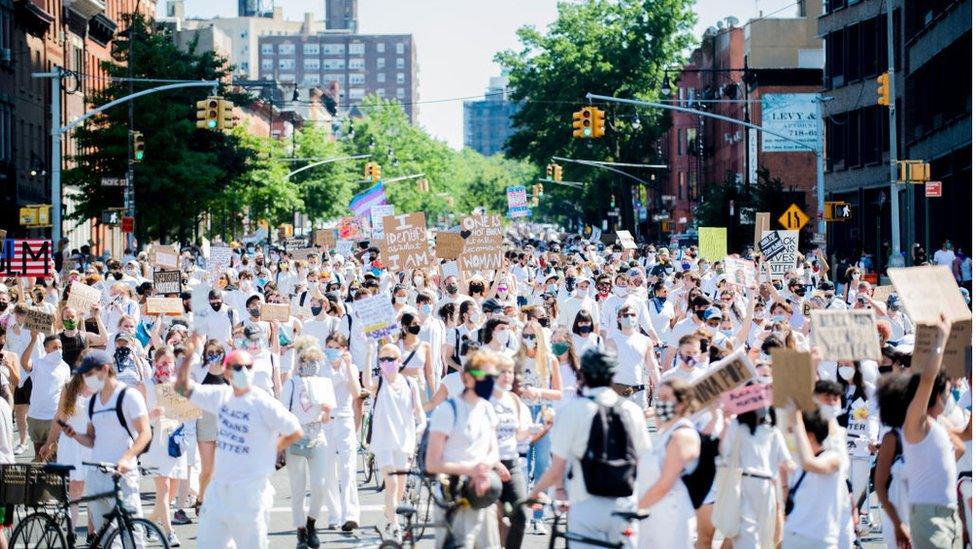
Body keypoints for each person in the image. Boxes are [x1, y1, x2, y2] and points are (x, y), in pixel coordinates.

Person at [174, 335, 303, 549]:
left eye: (248, 367)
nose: (243, 371)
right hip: (219, 492)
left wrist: (274, 448)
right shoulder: (221, 396)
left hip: (250, 493)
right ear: (227, 372)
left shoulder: (262, 402)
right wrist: (189, 355)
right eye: (237, 367)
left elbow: (295, 430)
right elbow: (182, 388)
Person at [529, 349, 651, 546]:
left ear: (583, 375)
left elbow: (556, 468)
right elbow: (643, 460)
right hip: (625, 502)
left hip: (585, 502)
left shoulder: (573, 410)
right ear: (613, 375)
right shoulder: (633, 411)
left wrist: (534, 495)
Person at [59, 350, 152, 541]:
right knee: (105, 537)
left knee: (132, 533)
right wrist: (75, 435)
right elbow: (91, 439)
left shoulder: (129, 395)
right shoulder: (93, 401)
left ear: (105, 369)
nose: (85, 378)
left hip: (122, 475)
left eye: (89, 374)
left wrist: (126, 458)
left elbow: (145, 433)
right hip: (96, 473)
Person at [425, 351, 510, 549]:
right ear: (468, 378)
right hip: (453, 496)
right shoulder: (448, 410)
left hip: (481, 494)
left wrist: (482, 471)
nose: (490, 382)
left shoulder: (487, 408)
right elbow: (432, 462)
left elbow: (493, 451)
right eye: (485, 377)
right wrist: (472, 471)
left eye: (493, 377)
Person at [901, 315, 965, 548]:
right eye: (946, 391)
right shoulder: (917, 422)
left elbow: (966, 435)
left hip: (951, 514)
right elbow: (927, 379)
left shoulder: (941, 424)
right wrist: (942, 337)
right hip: (929, 515)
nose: (949, 395)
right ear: (936, 395)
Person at [365, 343, 426, 542]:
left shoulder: (410, 383)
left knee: (400, 485)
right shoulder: (379, 382)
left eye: (391, 358)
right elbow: (366, 383)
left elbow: (418, 410)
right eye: (383, 359)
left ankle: (389, 512)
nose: (387, 362)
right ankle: (395, 525)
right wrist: (368, 353)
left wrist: (422, 424)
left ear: (399, 360)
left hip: (404, 439)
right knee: (391, 482)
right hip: (383, 441)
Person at [719, 401, 795, 548]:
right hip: (744, 482)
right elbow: (724, 451)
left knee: (764, 535)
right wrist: (726, 422)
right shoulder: (738, 426)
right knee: (745, 534)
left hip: (768, 485)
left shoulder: (773, 432)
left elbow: (787, 462)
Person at [281, 346, 336, 549]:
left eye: (314, 362)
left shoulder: (323, 384)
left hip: (317, 435)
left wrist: (326, 412)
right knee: (297, 487)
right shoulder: (291, 384)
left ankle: (311, 522)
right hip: (295, 435)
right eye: (306, 362)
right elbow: (282, 412)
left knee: (320, 485)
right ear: (299, 364)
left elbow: (327, 418)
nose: (310, 366)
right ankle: (300, 531)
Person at [636, 379, 701, 548]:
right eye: (658, 398)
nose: (660, 403)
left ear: (682, 403)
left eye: (665, 398)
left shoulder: (682, 435)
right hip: (653, 513)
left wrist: (635, 509)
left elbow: (665, 483)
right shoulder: (665, 433)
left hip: (671, 516)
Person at [141, 346, 188, 547]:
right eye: (162, 363)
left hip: (175, 440)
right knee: (164, 487)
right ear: (155, 364)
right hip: (156, 440)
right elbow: (138, 415)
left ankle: (149, 523)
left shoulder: (178, 384)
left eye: (170, 363)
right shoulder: (147, 385)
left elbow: (186, 413)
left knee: (172, 490)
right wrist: (151, 416)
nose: (166, 367)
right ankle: (169, 532)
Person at [320, 333, 363, 532]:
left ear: (344, 349)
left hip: (345, 419)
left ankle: (350, 515)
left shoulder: (351, 368)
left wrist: (346, 366)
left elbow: (356, 393)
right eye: (329, 346)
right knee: (328, 470)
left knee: (348, 468)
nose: (332, 350)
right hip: (326, 421)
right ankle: (334, 515)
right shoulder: (321, 368)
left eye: (336, 347)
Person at [491, 354, 531, 548]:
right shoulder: (485, 399)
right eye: (502, 371)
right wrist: (495, 464)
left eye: (510, 372)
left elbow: (519, 435)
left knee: (520, 515)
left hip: (511, 463)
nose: (507, 376)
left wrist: (543, 428)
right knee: (494, 521)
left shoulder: (513, 399)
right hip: (490, 464)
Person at [20, 331, 71, 459]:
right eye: (54, 347)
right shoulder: (38, 363)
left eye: (60, 347)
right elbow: (24, 363)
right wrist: (33, 340)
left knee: (53, 456)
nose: (58, 350)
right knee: (39, 454)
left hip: (55, 417)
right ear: (46, 349)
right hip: (36, 416)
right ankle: (38, 477)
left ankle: (50, 478)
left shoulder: (65, 367)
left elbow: (67, 392)